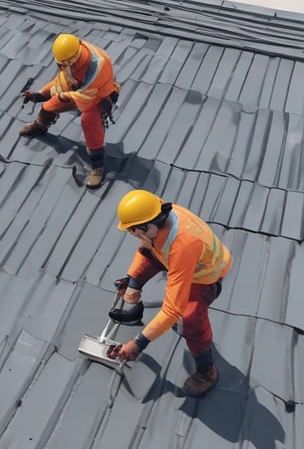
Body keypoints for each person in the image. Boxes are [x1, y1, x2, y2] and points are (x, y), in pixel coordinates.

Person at [108, 189, 233, 397]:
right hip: (178, 258)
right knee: (146, 264)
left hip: (204, 276)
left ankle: (206, 371)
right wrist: (133, 281)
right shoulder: (155, 218)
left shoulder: (183, 244)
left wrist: (138, 344)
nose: (133, 235)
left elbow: (173, 309)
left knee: (190, 319)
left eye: (134, 231)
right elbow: (148, 250)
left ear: (147, 226)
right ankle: (144, 312)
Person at [20, 33, 120, 188]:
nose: (62, 67)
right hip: (76, 91)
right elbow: (61, 81)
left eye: (65, 64)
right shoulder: (70, 61)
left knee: (90, 122)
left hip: (98, 95)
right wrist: (38, 96)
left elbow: (85, 95)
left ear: (73, 58)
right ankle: (39, 126)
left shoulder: (98, 65)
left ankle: (97, 167)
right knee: (48, 107)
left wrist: (66, 96)